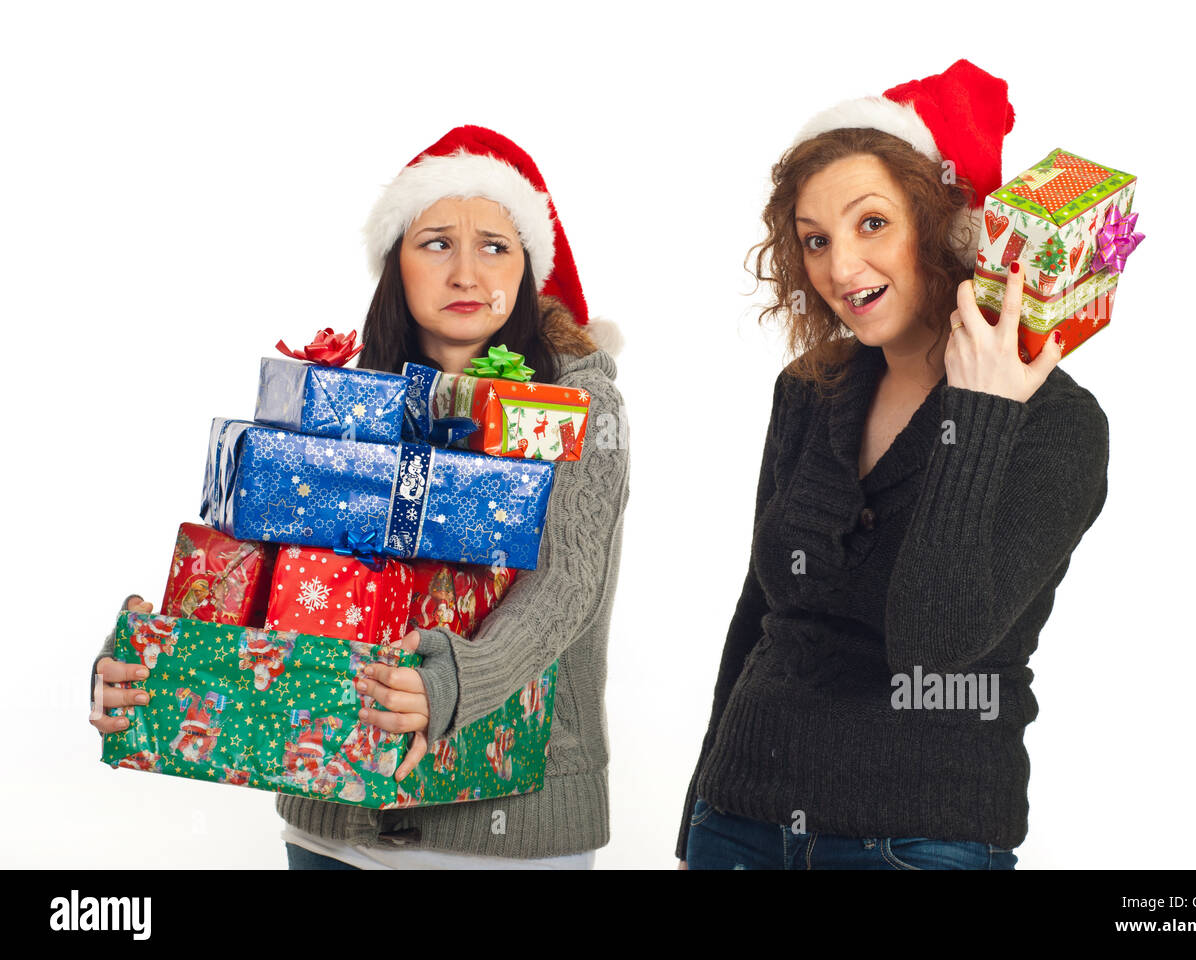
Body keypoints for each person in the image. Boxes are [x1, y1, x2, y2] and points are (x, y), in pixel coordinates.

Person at [90, 126, 629, 870]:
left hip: (505, 836)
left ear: (530, 267)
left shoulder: (578, 404)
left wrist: (448, 682)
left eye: (496, 246)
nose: (467, 272)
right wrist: (156, 661)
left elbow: (564, 589)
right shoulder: (340, 395)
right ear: (395, 264)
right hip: (332, 827)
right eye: (437, 242)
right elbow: (267, 572)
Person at [677, 60, 1109, 870]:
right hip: (735, 825)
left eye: (871, 223)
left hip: (918, 839)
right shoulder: (811, 391)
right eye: (816, 240)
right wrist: (693, 817)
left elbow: (933, 647)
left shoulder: (1057, 426)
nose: (841, 268)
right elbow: (757, 614)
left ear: (942, 225)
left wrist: (980, 413)